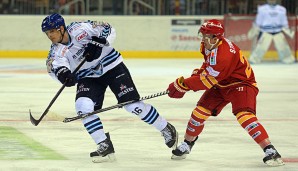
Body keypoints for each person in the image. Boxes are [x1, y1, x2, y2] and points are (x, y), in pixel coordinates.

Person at [41, 13, 178, 163]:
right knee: (83, 107)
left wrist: (100, 43)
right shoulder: (56, 51)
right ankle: (104, 144)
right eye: (47, 33)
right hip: (88, 76)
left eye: (52, 31)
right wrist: (64, 76)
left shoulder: (80, 29)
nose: (50, 36)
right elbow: (55, 68)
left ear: (61, 28)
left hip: (112, 66)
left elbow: (108, 28)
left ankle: (165, 127)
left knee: (132, 106)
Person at [166, 19, 284, 166]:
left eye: (205, 35)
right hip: (221, 83)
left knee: (244, 116)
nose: (202, 38)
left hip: (241, 84)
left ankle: (270, 150)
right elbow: (208, 65)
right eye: (201, 34)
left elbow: (208, 80)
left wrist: (183, 84)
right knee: (199, 113)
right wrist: (198, 73)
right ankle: (187, 144)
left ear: (216, 37)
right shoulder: (208, 44)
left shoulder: (224, 55)